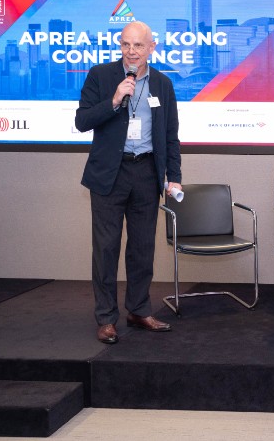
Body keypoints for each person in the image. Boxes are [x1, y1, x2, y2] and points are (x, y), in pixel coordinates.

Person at [75, 20, 182, 345]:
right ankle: (106, 319)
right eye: (125, 44)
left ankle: (138, 310)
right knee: (106, 249)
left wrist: (174, 177)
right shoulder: (101, 75)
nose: (131, 51)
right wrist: (113, 100)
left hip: (146, 173)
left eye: (138, 45)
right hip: (110, 173)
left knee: (142, 248)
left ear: (152, 47)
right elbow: (82, 121)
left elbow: (171, 135)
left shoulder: (163, 83)